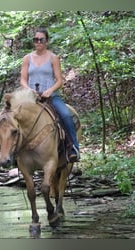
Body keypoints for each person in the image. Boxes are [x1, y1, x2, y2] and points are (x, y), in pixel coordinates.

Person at [20, 28, 80, 162]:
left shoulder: (53, 58)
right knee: (15, 117)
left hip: (51, 96)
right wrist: (29, 89)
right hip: (31, 98)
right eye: (36, 40)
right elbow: (23, 79)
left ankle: (73, 148)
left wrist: (49, 91)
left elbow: (59, 80)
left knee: (65, 114)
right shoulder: (27, 58)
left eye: (41, 40)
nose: (38, 42)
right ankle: (13, 153)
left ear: (46, 41)